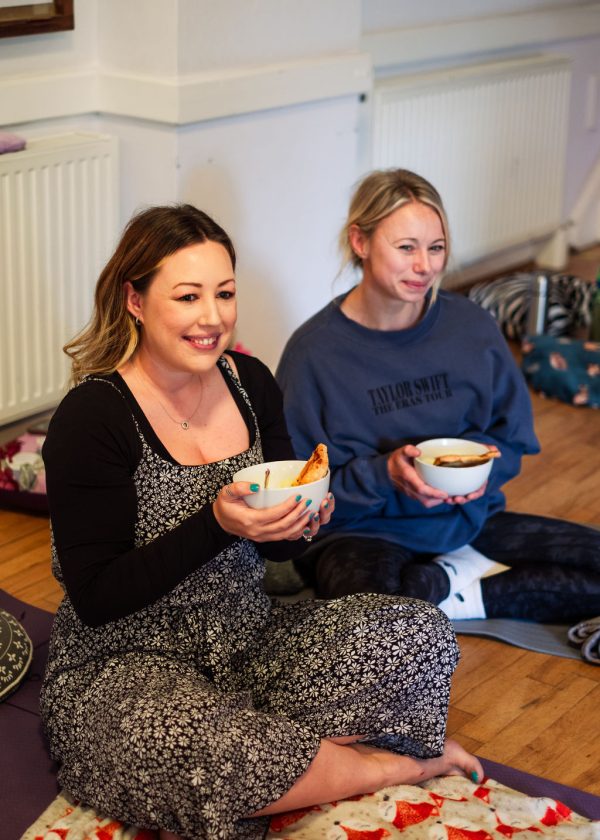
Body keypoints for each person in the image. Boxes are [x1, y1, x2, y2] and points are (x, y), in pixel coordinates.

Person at [40, 203, 481, 840]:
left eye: (224, 293)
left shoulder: (249, 381)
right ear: (135, 300)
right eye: (187, 296)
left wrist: (303, 520)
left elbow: (281, 549)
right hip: (125, 664)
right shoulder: (92, 416)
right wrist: (219, 525)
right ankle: (384, 766)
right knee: (185, 737)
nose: (212, 317)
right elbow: (96, 596)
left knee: (419, 632)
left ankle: (290, 761)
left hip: (249, 637)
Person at [276, 169, 600, 623]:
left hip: (469, 521)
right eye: (406, 247)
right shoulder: (313, 354)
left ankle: (448, 584)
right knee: (374, 627)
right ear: (360, 241)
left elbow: (514, 439)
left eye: (436, 248)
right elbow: (300, 496)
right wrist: (385, 475)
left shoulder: (472, 328)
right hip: (363, 536)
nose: (425, 266)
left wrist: (479, 471)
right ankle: (454, 587)